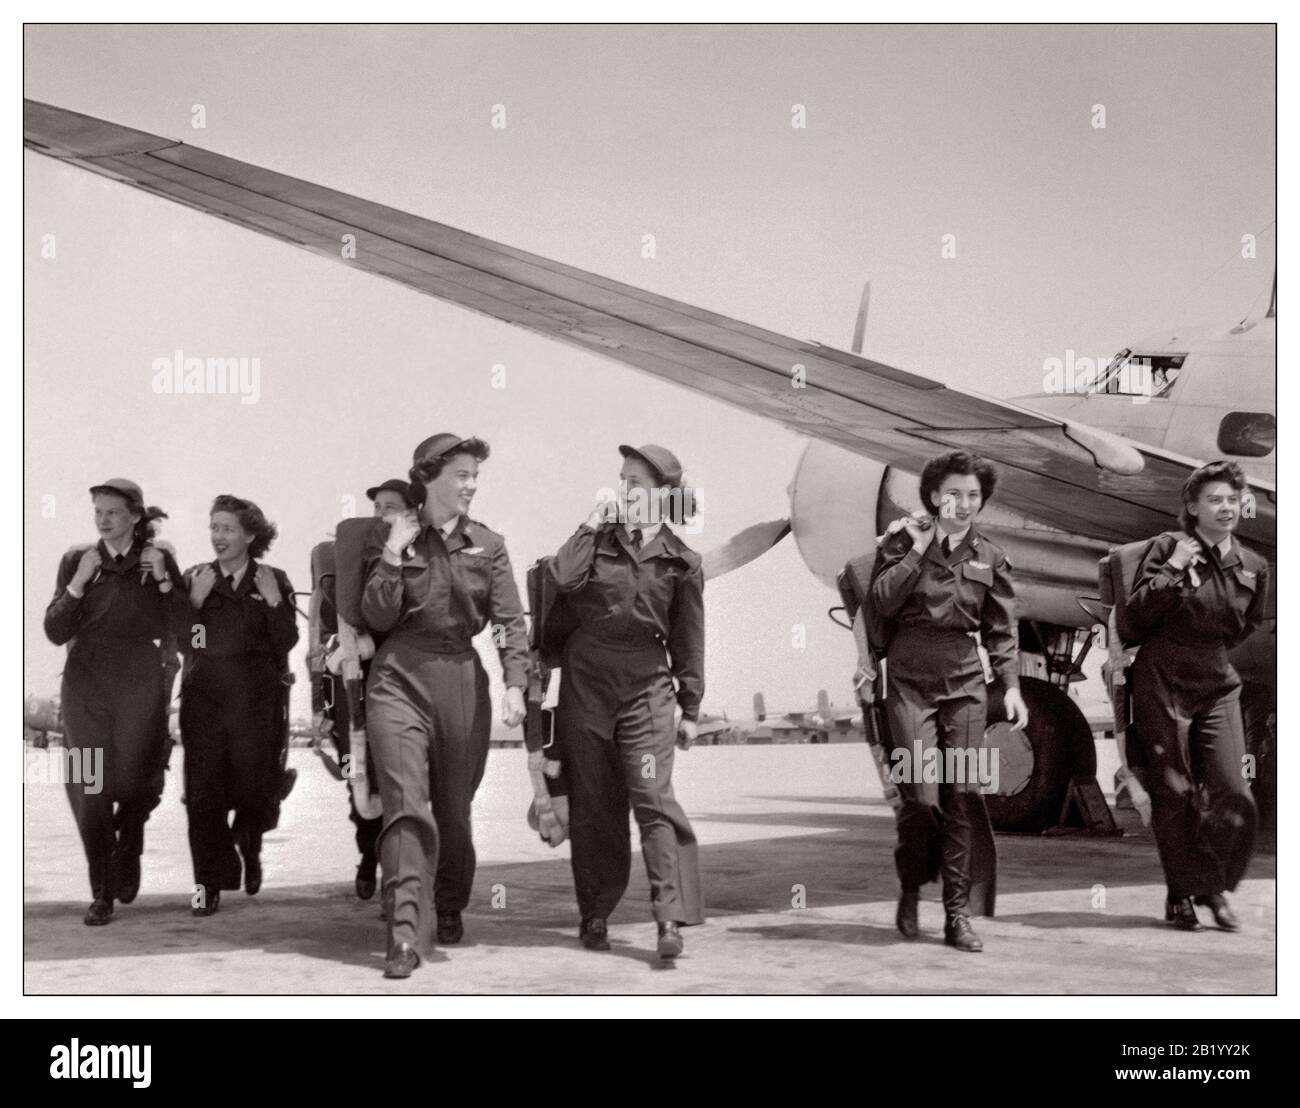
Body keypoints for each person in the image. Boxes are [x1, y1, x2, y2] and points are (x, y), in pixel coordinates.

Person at [361, 435, 529, 978]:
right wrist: (392, 554)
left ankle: (450, 899)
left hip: (460, 676)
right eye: (461, 474)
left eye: (475, 475)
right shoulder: (393, 535)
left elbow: (508, 620)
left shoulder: (489, 544)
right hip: (397, 675)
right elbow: (376, 616)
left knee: (453, 807)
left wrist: (514, 681)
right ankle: (405, 932)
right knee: (406, 804)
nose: (471, 485)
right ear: (428, 477)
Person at [869, 451, 1028, 953]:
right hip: (909, 678)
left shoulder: (991, 557)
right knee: (921, 798)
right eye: (954, 494)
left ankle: (957, 914)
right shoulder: (900, 542)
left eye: (973, 496)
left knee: (963, 796)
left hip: (964, 683)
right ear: (935, 496)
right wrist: (916, 552)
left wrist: (1013, 686)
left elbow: (1003, 630)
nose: (963, 504)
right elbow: (881, 601)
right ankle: (913, 885)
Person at [551, 444, 705, 960]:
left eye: (635, 482)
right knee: (594, 806)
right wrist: (592, 524)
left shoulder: (683, 561)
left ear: (664, 493)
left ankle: (669, 918)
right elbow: (562, 576)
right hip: (587, 680)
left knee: (652, 798)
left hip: (646, 686)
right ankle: (594, 913)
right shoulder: (596, 543)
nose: (625, 490)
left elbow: (688, 639)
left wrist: (691, 706)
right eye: (622, 481)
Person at [1127, 460, 1268, 932]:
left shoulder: (1252, 566)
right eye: (1214, 499)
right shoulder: (1167, 549)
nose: (1225, 507)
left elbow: (1249, 624)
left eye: (1232, 499)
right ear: (1192, 507)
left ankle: (1209, 885)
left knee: (1236, 794)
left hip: (1216, 679)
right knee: (1175, 792)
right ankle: (1186, 894)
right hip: (1162, 676)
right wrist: (1173, 569)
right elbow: (1135, 616)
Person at [43, 478, 185, 925]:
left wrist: (163, 581)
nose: (103, 520)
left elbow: (185, 627)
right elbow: (54, 631)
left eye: (112, 513)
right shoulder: (76, 560)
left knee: (138, 782)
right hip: (85, 687)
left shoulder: (159, 560)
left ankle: (132, 836)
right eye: (98, 512)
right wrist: (78, 585)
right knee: (90, 789)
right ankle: (101, 892)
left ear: (135, 517)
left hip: (140, 685)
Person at [179, 495, 299, 917]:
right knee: (202, 795)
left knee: (255, 788)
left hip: (256, 704)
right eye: (214, 527)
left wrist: (272, 601)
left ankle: (250, 841)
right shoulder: (196, 576)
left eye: (228, 529)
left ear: (250, 535)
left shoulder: (273, 579)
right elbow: (185, 643)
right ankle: (207, 884)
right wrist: (192, 604)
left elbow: (285, 642)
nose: (218, 537)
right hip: (205, 702)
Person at [309, 478, 413, 900]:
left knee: (402, 786)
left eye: (391, 507)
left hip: (401, 687)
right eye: (377, 509)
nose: (381, 516)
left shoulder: (418, 558)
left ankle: (398, 874)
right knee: (361, 793)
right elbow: (321, 636)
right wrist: (319, 703)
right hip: (352, 693)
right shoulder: (342, 559)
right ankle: (369, 857)